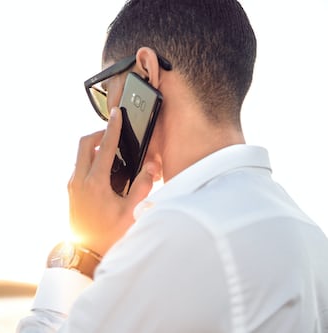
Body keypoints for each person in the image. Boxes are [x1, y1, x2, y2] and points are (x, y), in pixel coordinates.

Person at [17, 0, 328, 332]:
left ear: (146, 73)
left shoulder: (181, 232)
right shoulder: (310, 236)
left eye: (106, 90)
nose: (108, 114)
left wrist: (81, 257)